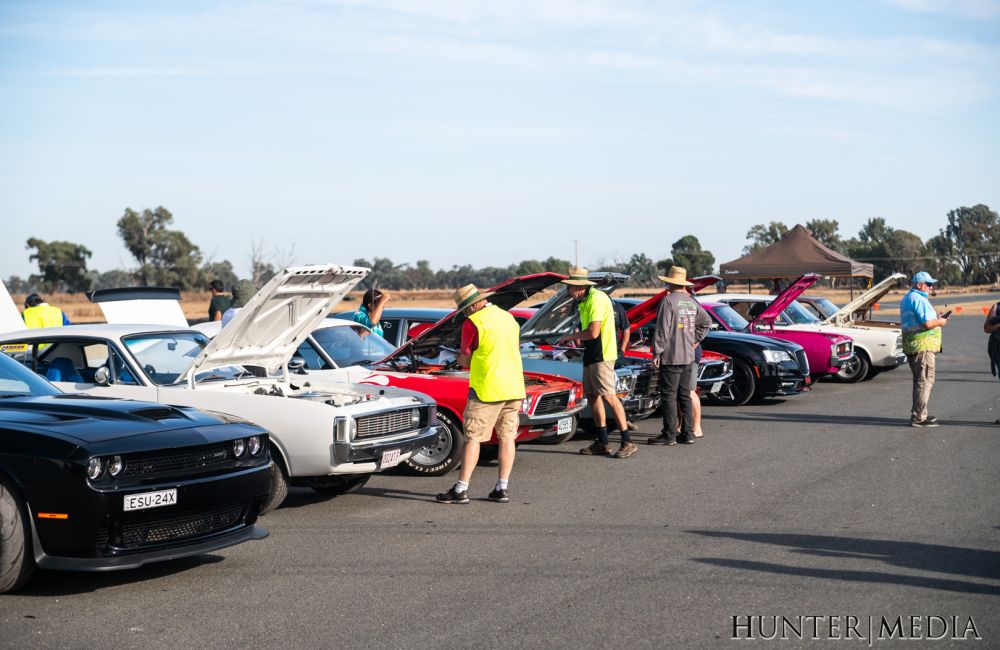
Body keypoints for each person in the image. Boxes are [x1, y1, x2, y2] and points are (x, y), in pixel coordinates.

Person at [437, 284, 526, 504]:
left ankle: (461, 489)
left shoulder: (473, 322)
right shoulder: (508, 318)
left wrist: (457, 360)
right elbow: (514, 348)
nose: (466, 312)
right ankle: (502, 488)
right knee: (507, 437)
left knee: (473, 438)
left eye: (466, 308)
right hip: (513, 386)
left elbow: (466, 358)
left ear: (474, 305)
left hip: (486, 388)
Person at [557, 267, 636, 459]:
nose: (567, 291)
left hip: (603, 353)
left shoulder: (596, 299)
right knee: (592, 396)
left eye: (570, 287)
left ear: (580, 287)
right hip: (592, 353)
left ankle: (627, 441)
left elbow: (593, 332)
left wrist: (570, 336)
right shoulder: (584, 300)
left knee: (609, 396)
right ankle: (602, 442)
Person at [649, 266, 711, 445]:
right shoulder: (691, 301)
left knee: (668, 395)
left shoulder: (667, 301)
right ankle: (688, 433)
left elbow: (662, 330)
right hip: (688, 356)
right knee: (684, 395)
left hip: (671, 356)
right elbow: (706, 322)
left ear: (670, 282)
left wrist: (656, 352)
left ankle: (669, 435)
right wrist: (695, 341)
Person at [900, 271, 949, 428]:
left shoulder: (908, 297)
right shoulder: (919, 299)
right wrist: (940, 322)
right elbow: (928, 324)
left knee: (920, 381)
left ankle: (921, 413)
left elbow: (922, 320)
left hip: (914, 346)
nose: (931, 287)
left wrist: (936, 317)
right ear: (919, 284)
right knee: (925, 381)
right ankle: (919, 417)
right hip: (923, 346)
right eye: (928, 284)